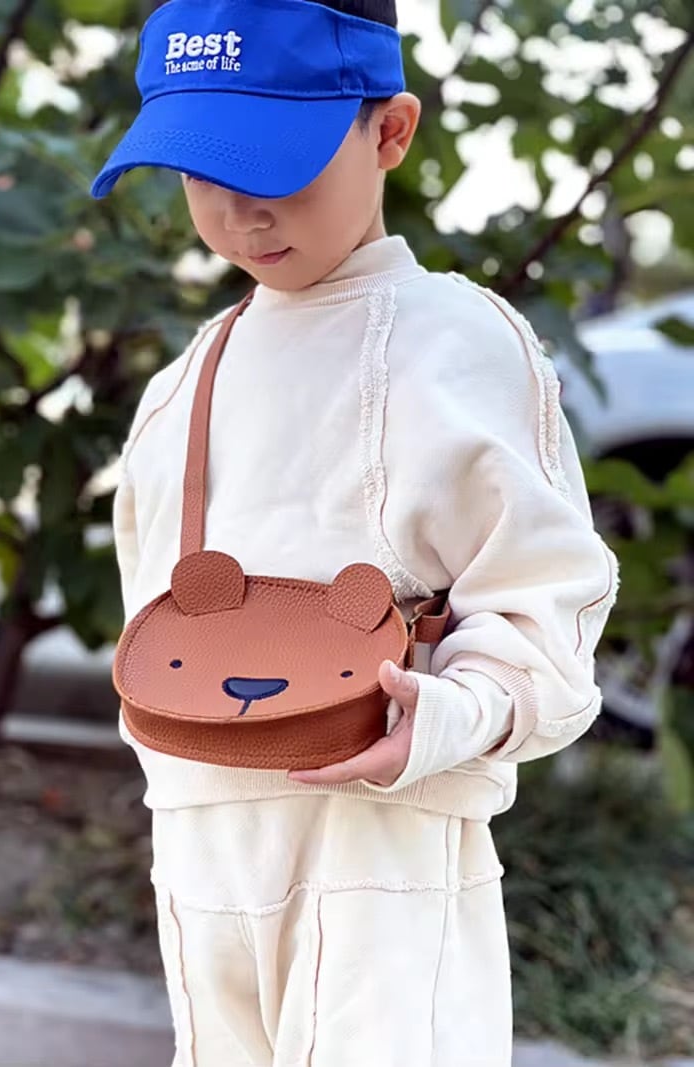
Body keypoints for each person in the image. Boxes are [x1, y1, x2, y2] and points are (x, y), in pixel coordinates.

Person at [91, 0, 619, 1063]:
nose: (239, 212)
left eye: (273, 165)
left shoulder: (455, 343)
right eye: (201, 170)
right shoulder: (188, 378)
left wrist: (454, 712)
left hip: (378, 841)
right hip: (200, 840)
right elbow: (157, 612)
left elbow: (544, 595)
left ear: (390, 132)